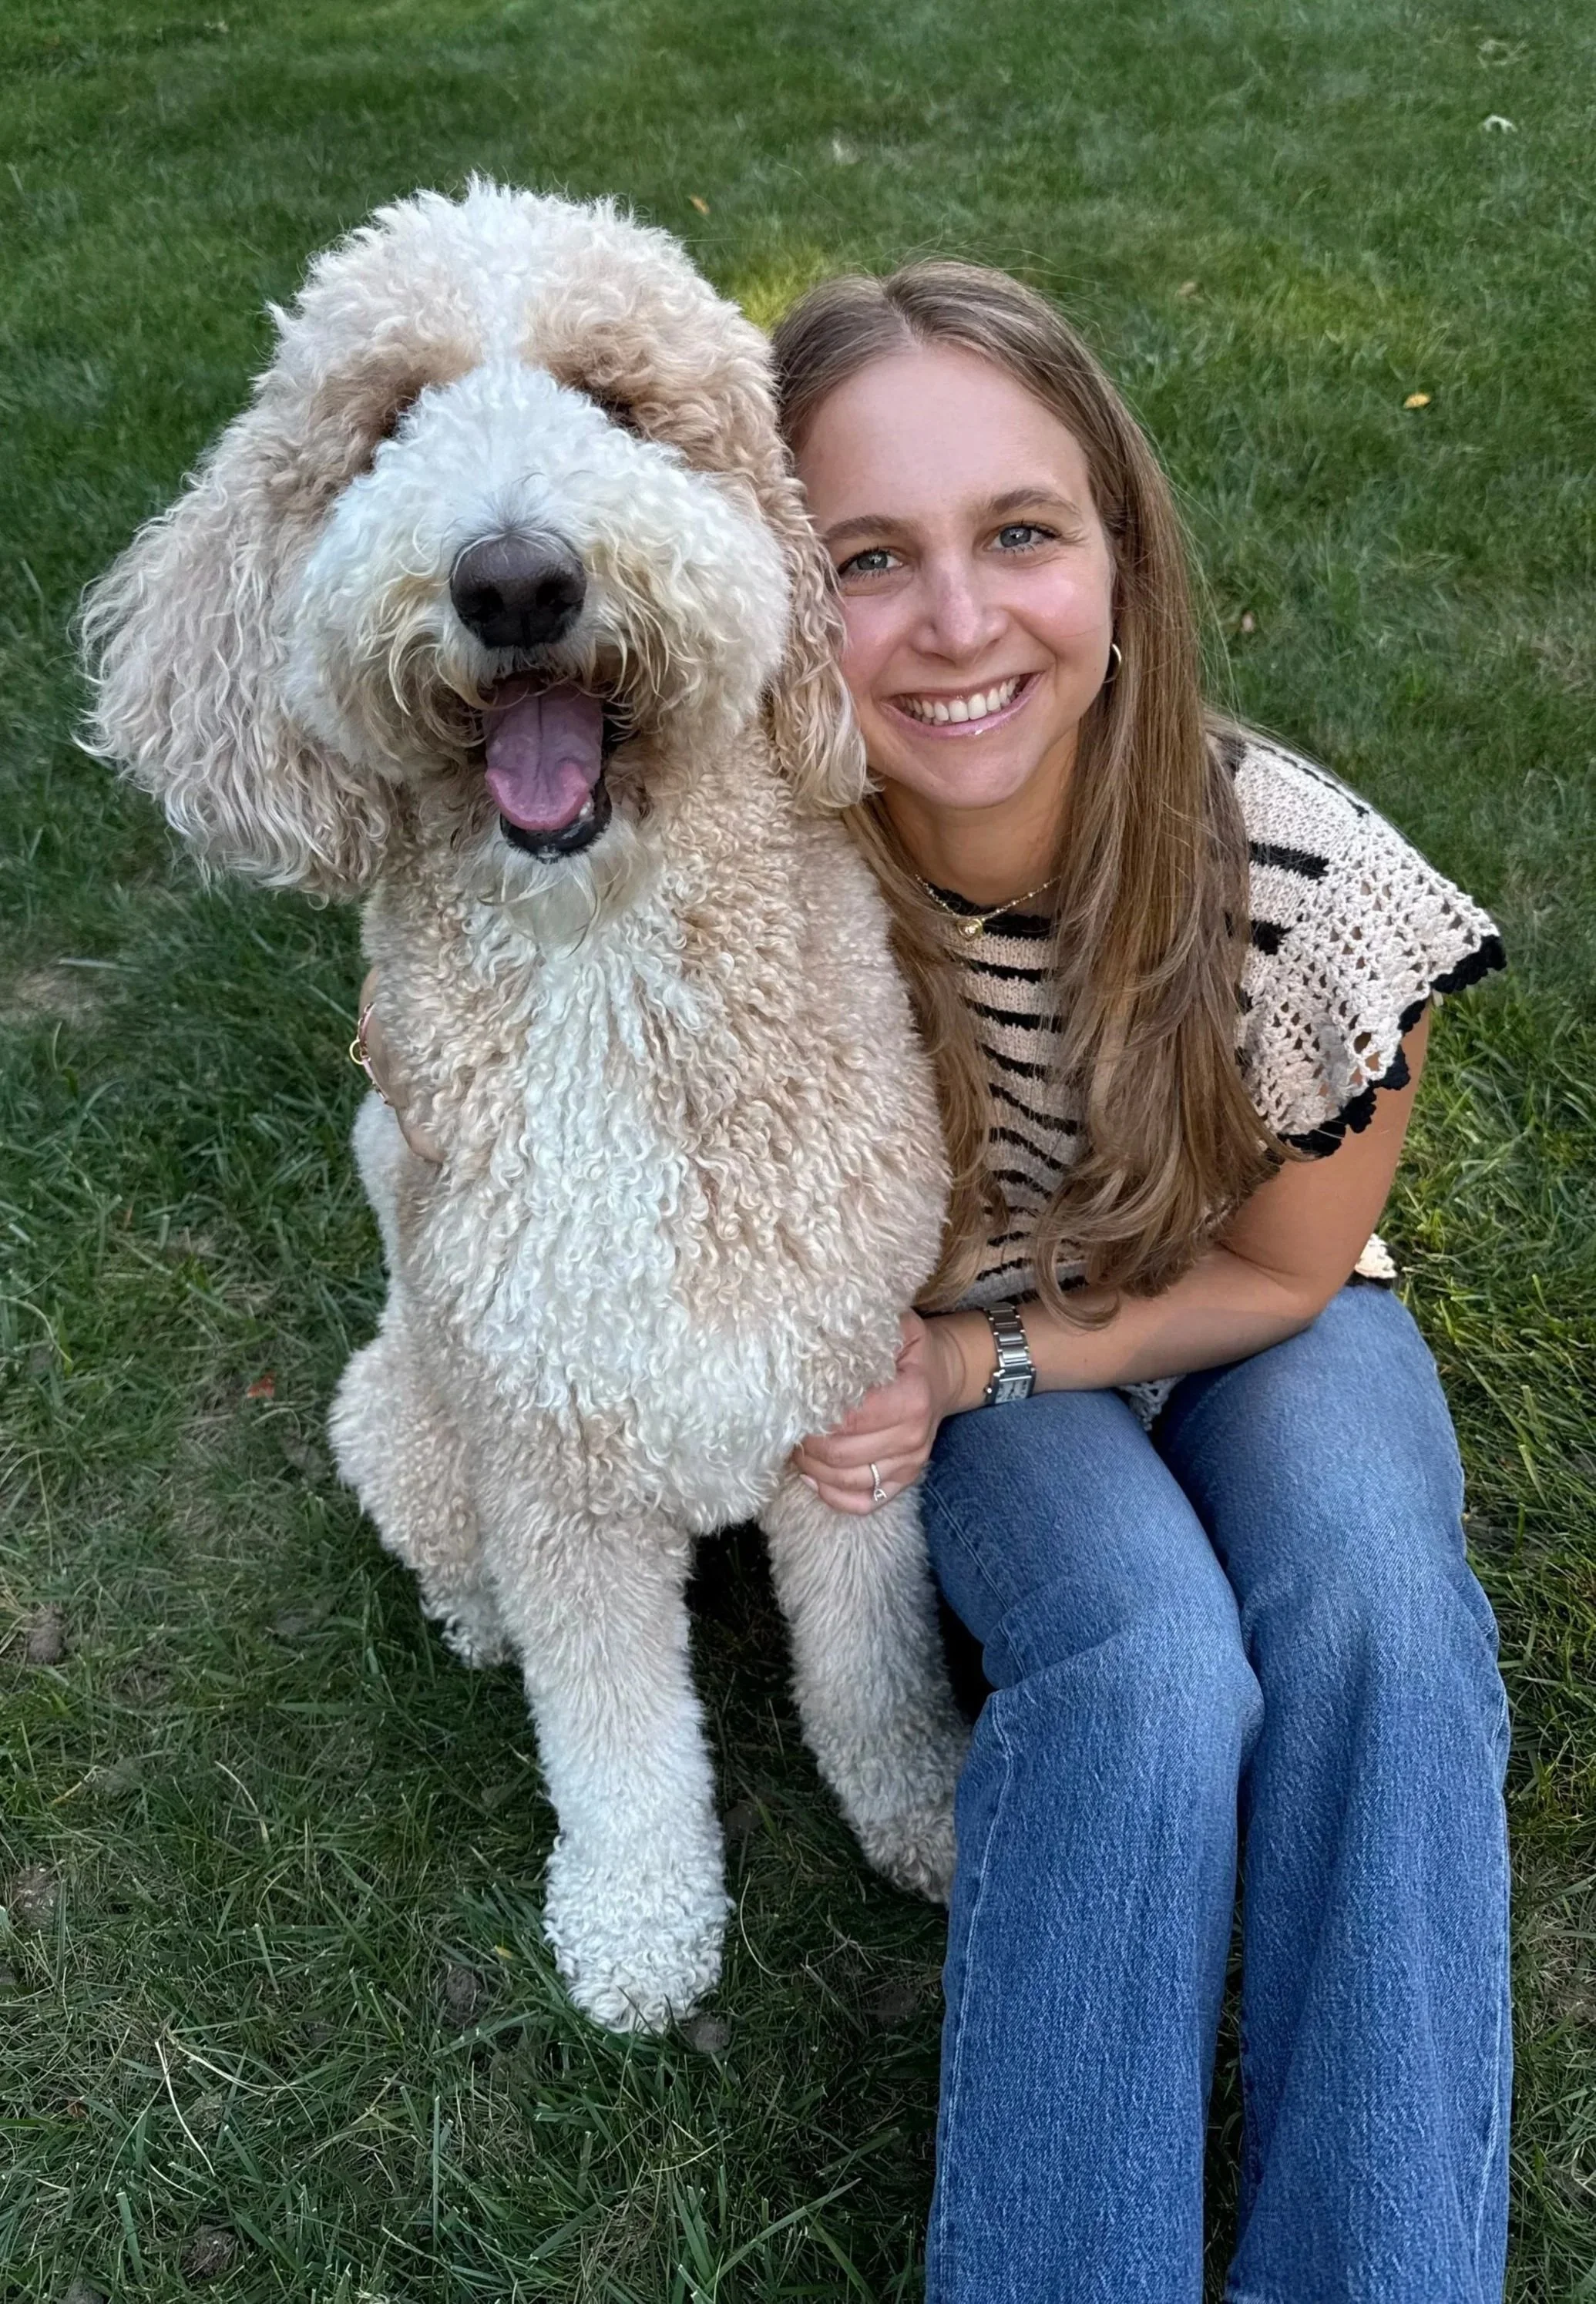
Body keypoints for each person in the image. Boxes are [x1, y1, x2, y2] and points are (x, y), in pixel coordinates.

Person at [363, 261, 1512, 2304]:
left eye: (1019, 535)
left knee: (1376, 1616)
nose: (959, 624)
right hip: (945, 1360)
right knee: (1147, 1662)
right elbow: (484, 974)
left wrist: (992, 1346)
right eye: (867, 557)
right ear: (764, 581)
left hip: (1245, 1309)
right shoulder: (755, 848)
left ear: (1123, 562)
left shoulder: (1306, 884)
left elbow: (1282, 1269)